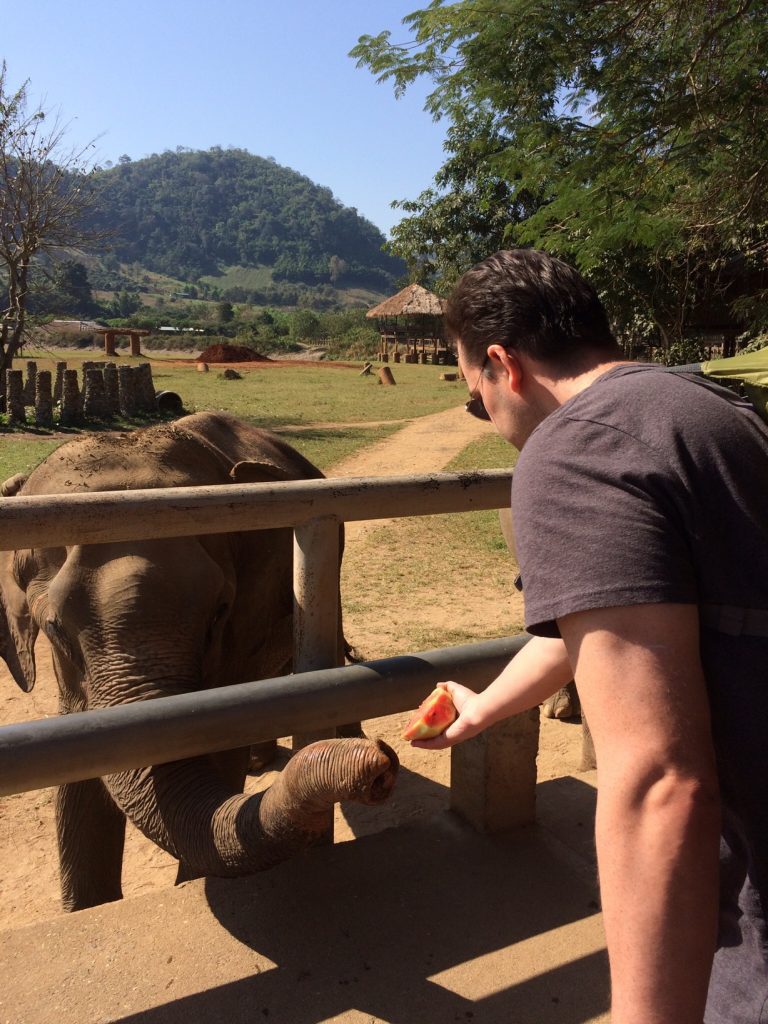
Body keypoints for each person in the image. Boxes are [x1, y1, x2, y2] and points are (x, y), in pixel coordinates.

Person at [414, 249, 768, 1024]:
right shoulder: (710, 410)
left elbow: (658, 781)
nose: (490, 421)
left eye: (476, 399)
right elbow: (626, 616)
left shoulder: (577, 450)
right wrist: (485, 708)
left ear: (503, 365)